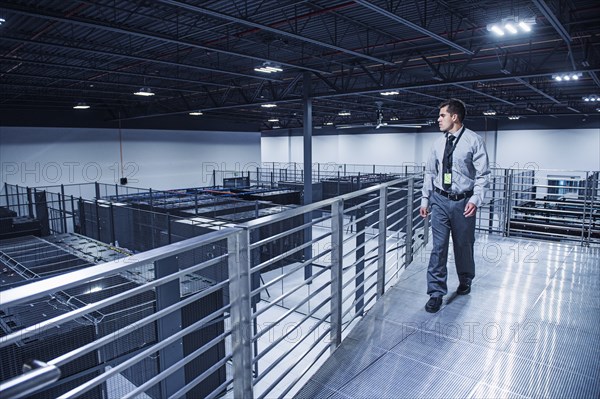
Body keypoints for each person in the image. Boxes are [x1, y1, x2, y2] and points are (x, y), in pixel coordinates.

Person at [419, 98, 490, 313]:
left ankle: (465, 279)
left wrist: (475, 199)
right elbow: (430, 172)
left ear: (454, 117)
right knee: (438, 248)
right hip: (439, 200)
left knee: (463, 245)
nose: (438, 119)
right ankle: (436, 293)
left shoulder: (473, 141)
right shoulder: (438, 143)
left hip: (463, 202)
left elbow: (483, 174)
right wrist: (425, 199)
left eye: (442, 115)